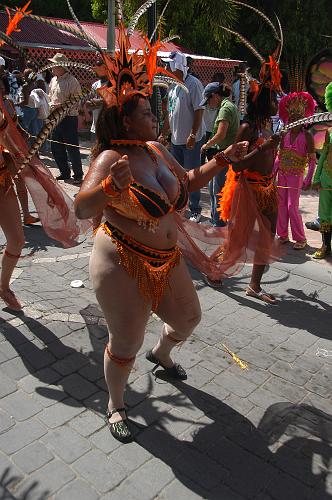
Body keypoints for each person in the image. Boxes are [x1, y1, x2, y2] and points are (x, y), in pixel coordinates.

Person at [74, 25, 247, 443]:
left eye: (155, 111)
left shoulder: (153, 151)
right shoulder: (112, 158)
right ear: (126, 120)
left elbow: (186, 181)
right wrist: (109, 189)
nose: (157, 117)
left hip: (167, 259)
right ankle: (116, 403)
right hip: (121, 260)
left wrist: (223, 159)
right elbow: (81, 207)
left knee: (189, 317)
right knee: (126, 340)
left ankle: (162, 355)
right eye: (148, 113)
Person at [159, 51, 206, 223]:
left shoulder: (193, 84)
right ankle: (181, 205)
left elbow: (199, 110)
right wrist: (163, 133)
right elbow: (169, 113)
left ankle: (195, 209)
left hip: (190, 140)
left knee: (191, 175)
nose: (165, 68)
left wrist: (193, 134)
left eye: (167, 65)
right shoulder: (173, 86)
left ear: (177, 67)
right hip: (175, 140)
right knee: (177, 176)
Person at [274, 92, 316, 249]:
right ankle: (283, 235)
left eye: (297, 119)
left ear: (303, 120)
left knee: (292, 206)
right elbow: (279, 156)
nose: (293, 121)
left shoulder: (307, 136)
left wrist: (308, 179)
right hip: (282, 175)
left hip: (296, 176)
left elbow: (312, 160)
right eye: (291, 119)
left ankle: (300, 238)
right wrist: (273, 174)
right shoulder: (284, 134)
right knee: (281, 205)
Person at [201, 84, 240, 226]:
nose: (209, 105)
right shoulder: (227, 106)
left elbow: (221, 134)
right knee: (213, 189)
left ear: (215, 96)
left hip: (224, 154)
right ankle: (216, 220)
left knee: (218, 191)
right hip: (222, 154)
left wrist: (206, 145)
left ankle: (218, 223)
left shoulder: (225, 109)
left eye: (208, 100)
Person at [48, 52, 84, 184]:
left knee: (72, 147)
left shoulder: (72, 81)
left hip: (68, 118)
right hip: (55, 118)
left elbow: (76, 101)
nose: (52, 66)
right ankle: (64, 172)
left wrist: (61, 106)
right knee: (56, 147)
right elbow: (50, 97)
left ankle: (78, 175)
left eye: (55, 64)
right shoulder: (53, 80)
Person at [312, 82, 332, 259]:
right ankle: (326, 246)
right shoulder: (330, 132)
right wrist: (316, 177)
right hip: (327, 179)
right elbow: (324, 154)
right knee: (325, 214)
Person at [87, 58, 108, 138]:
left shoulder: (112, 84)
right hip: (95, 126)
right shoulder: (95, 85)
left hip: (108, 127)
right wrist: (92, 103)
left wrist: (100, 101)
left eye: (99, 67)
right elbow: (89, 103)